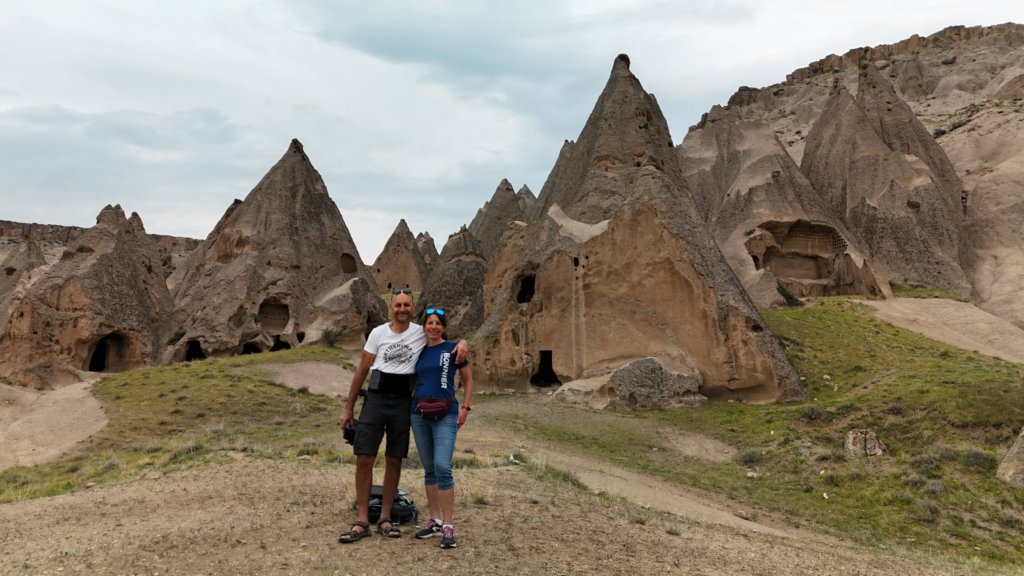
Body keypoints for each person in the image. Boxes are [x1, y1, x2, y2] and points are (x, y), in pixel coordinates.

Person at [338, 289, 467, 543]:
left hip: (402, 402)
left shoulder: (420, 331)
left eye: (407, 305)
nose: (402, 309)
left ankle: (385, 518)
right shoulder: (378, 333)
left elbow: (442, 336)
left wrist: (464, 343)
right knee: (364, 456)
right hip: (376, 398)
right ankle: (362, 520)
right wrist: (348, 407)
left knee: (394, 458)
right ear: (391, 307)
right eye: (398, 305)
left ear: (413, 306)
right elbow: (362, 370)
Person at [410, 307, 474, 549]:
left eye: (438, 323)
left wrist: (465, 408)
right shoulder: (418, 350)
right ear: (424, 327)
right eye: (429, 323)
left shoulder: (453, 349)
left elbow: (468, 379)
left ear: (444, 327)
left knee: (442, 467)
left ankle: (448, 525)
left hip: (446, 413)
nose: (433, 327)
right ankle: (435, 520)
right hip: (419, 413)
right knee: (429, 469)